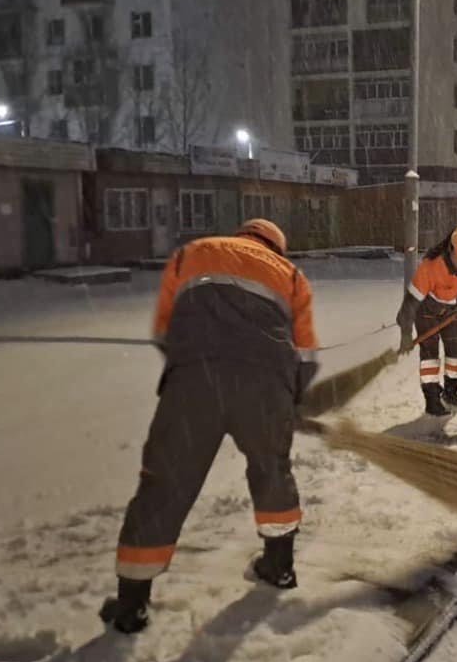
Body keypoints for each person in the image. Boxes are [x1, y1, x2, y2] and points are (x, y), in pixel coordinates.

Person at [99, 219, 319, 634]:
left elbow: (165, 329)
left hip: (194, 381)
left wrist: (196, 370)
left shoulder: (192, 252)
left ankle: (132, 604)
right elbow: (305, 355)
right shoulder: (290, 275)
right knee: (272, 471)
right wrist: (287, 400)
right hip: (265, 384)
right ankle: (279, 566)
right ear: (277, 247)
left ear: (241, 236)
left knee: (165, 482)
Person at [396, 226, 457, 416]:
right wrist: (406, 333)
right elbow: (411, 302)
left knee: (455, 353)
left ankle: (451, 392)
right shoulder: (431, 266)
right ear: (451, 249)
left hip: (453, 311)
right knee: (430, 357)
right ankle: (432, 400)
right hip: (427, 310)